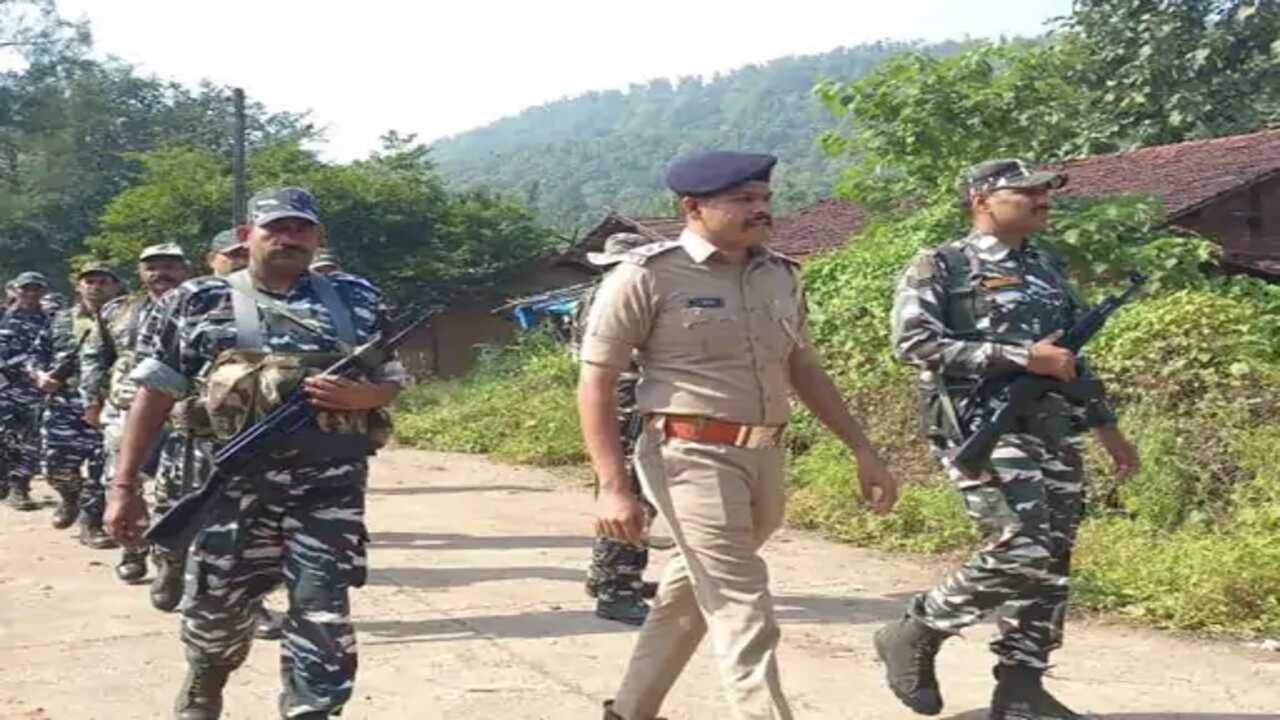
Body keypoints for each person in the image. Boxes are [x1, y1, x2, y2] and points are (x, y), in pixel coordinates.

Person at [580, 151, 898, 720]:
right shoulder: (647, 276)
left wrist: (862, 448)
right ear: (693, 207)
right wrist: (611, 485)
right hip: (688, 454)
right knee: (741, 602)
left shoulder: (779, 274)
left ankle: (628, 710)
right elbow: (597, 381)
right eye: (744, 200)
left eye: (765, 199)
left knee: (688, 594)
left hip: (765, 453)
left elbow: (805, 369)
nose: (761, 210)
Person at [105, 186, 407, 719]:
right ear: (250, 236)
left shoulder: (357, 298)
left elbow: (390, 379)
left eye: (301, 229)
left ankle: (312, 709)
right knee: (217, 608)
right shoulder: (197, 300)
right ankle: (205, 680)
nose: (289, 238)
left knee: (324, 613)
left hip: (328, 490)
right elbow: (153, 393)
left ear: (317, 238)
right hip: (230, 487)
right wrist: (124, 487)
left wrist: (366, 396)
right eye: (275, 228)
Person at [877, 158, 1141, 720]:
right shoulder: (942, 264)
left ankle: (1021, 686)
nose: (1042, 199)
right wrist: (1023, 357)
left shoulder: (1045, 266)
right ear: (981, 199)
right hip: (979, 427)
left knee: (1053, 558)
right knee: (1021, 547)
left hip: (1051, 429)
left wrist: (1108, 429)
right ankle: (918, 627)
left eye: (1046, 191)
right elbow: (914, 344)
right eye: (1026, 192)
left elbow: (1071, 360)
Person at [150, 228, 285, 641]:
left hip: (249, 441)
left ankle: (250, 603)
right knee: (175, 509)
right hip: (186, 440)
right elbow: (144, 380)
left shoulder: (272, 307)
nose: (242, 260)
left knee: (243, 532)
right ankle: (169, 563)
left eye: (248, 253)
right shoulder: (180, 305)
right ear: (212, 259)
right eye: (232, 254)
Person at [81, 243, 191, 583]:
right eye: (152, 266)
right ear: (141, 274)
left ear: (186, 269)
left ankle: (170, 559)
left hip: (187, 414)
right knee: (124, 482)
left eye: (170, 266)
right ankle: (132, 549)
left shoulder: (206, 305)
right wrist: (91, 400)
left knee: (177, 490)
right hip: (127, 411)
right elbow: (95, 357)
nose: (161, 273)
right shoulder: (117, 311)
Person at [578, 232, 660, 626]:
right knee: (631, 495)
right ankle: (617, 589)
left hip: (615, 402)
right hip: (628, 402)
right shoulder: (620, 294)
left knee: (616, 490)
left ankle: (604, 575)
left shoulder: (592, 294)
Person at [33, 263, 122, 531]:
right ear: (79, 286)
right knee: (57, 466)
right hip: (65, 402)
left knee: (103, 469)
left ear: (116, 286)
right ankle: (70, 498)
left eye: (103, 281)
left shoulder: (130, 319)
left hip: (109, 404)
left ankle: (91, 523)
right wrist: (39, 376)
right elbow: (37, 356)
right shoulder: (60, 319)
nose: (96, 287)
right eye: (90, 281)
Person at [0, 271, 52, 511]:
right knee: (5, 438)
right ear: (15, 290)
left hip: (34, 391)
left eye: (36, 289)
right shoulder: (3, 317)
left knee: (31, 440)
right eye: (25, 288)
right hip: (4, 388)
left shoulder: (50, 320)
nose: (31, 293)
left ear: (43, 292)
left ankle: (20, 486)